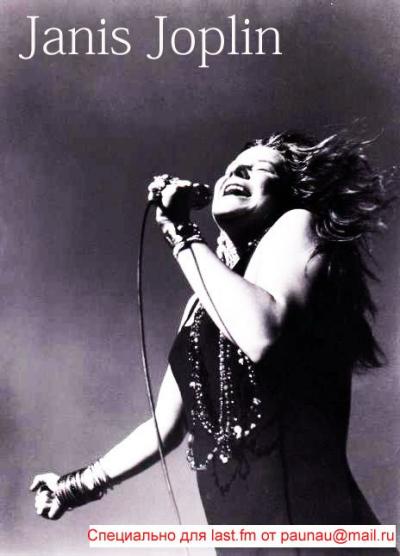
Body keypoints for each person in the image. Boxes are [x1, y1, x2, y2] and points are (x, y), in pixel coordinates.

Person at [31, 132, 397, 555]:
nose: (238, 171)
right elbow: (165, 426)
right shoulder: (203, 301)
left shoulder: (298, 225)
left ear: (288, 192)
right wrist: (72, 487)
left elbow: (262, 335)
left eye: (262, 168)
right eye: (232, 168)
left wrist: (182, 234)